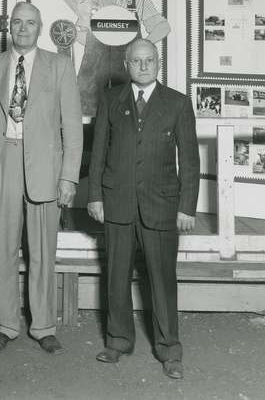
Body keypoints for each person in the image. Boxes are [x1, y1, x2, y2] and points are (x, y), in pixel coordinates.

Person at [0, 2, 83, 354]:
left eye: (30, 22)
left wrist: (69, 178)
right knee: (1, 249)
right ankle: (5, 324)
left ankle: (43, 325)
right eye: (17, 22)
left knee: (43, 251)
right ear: (9, 26)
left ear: (40, 26)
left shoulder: (60, 67)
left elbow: (73, 129)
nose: (23, 28)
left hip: (45, 169)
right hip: (1, 163)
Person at [87, 38, 199, 378]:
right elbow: (98, 155)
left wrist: (187, 207)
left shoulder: (177, 103)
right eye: (137, 60)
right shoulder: (110, 100)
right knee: (116, 276)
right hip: (117, 203)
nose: (144, 65)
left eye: (149, 60)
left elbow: (190, 161)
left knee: (162, 279)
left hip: (162, 206)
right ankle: (118, 340)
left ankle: (169, 349)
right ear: (126, 64)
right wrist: (94, 196)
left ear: (158, 62)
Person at [75, 0, 170, 115]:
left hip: (127, 73)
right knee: (87, 118)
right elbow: (80, 33)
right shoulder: (88, 0)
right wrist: (94, 42)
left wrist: (142, 46)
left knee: (129, 119)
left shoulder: (138, 0)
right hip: (92, 75)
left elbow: (163, 27)